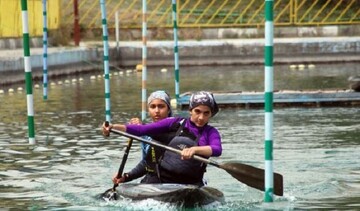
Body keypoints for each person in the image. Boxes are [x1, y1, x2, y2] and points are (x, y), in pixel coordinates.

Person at [103, 91, 222, 187]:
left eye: (206, 113)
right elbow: (142, 130)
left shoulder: (211, 132)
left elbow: (216, 149)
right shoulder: (174, 122)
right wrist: (113, 127)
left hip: (191, 183)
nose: (201, 117)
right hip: (161, 181)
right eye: (197, 111)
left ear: (211, 114)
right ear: (190, 110)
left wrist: (195, 150)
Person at [113, 90, 173, 184]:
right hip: (154, 179)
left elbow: (162, 135)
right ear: (149, 110)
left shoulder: (177, 127)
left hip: (173, 179)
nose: (157, 111)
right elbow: (147, 164)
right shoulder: (145, 135)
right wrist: (127, 177)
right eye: (153, 107)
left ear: (168, 109)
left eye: (161, 106)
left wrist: (141, 127)